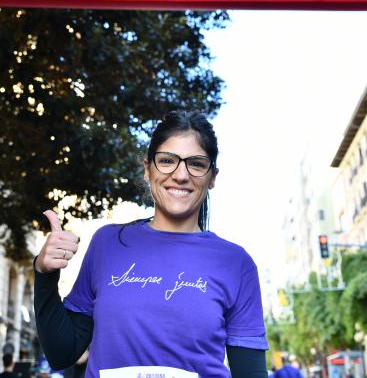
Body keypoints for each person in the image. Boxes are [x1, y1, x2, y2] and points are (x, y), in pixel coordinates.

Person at [35, 110, 269, 377]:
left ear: (212, 177)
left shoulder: (235, 263)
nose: (181, 175)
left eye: (196, 164)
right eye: (167, 160)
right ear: (148, 169)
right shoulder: (107, 244)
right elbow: (61, 353)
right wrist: (45, 273)